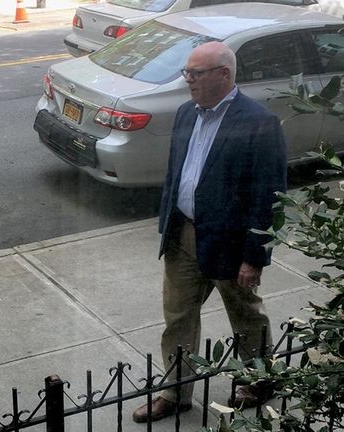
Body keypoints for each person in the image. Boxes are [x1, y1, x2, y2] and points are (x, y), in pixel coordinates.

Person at [132, 41, 287, 423]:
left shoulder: (258, 121)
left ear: (224, 75)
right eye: (187, 72)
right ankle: (175, 392)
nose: (188, 80)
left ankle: (258, 380)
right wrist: (167, 225)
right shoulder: (186, 113)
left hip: (230, 244)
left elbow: (268, 195)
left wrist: (254, 256)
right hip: (183, 235)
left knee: (246, 317)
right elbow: (176, 175)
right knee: (178, 318)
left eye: (196, 73)